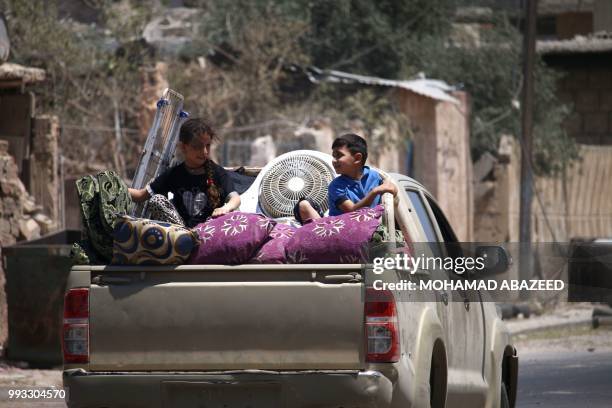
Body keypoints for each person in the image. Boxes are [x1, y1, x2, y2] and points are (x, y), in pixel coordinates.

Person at [129, 118, 241, 227]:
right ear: (183, 147)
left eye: (207, 146)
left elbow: (235, 199)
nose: (204, 152)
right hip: (182, 234)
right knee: (156, 200)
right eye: (197, 146)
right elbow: (140, 195)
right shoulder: (174, 174)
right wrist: (114, 183)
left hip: (211, 231)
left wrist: (225, 209)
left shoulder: (218, 172)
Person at [295, 133, 397, 224]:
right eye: (333, 156)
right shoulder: (336, 186)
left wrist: (391, 187)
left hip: (372, 228)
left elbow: (393, 190)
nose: (334, 160)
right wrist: (375, 192)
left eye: (339, 156)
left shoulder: (374, 176)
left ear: (357, 158)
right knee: (303, 205)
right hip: (342, 231)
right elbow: (353, 211)